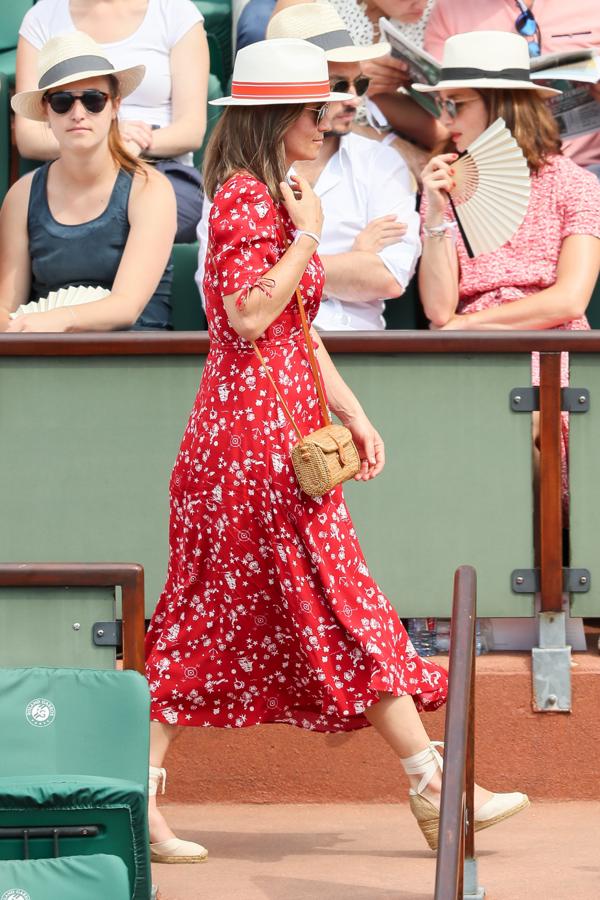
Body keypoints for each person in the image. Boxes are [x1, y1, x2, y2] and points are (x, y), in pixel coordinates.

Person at [145, 36, 529, 864]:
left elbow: (296, 331)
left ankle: (431, 782)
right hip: (250, 448)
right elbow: (250, 317)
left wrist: (354, 413)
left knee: (300, 609)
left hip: (274, 439)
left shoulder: (276, 198)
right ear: (272, 117)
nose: (327, 122)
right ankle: (430, 782)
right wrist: (308, 236)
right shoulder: (252, 202)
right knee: (253, 611)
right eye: (315, 110)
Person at [415, 31, 600, 505]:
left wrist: (467, 325)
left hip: (551, 343)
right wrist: (434, 215)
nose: (444, 119)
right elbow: (438, 310)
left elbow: (570, 298)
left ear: (500, 104)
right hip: (471, 351)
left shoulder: (574, 185)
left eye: (456, 105)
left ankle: (551, 562)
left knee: (538, 423)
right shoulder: (444, 184)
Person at [196, 2, 421, 331]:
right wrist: (345, 262)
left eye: (360, 84)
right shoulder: (236, 181)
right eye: (337, 86)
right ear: (290, 95)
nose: (354, 100)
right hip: (270, 360)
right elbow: (225, 295)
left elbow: (388, 278)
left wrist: (278, 274)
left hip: (360, 353)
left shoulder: (381, 161)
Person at [0, 32, 176, 333]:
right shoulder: (21, 195)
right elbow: (7, 305)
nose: (78, 113)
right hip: (47, 358)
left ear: (115, 105)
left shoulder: (150, 189)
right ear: (46, 110)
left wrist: (54, 320)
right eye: (62, 101)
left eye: (94, 100)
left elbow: (126, 307)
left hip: (138, 358)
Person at [17, 0, 208, 242]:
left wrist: (127, 146)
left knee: (151, 213)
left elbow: (191, 130)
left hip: (153, 161)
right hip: (71, 165)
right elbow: (28, 136)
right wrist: (107, 142)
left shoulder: (175, 11)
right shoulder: (42, 16)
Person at [424, 0, 600, 178]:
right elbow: (445, 117)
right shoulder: (449, 9)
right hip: (489, 171)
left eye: (457, 105)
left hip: (591, 165)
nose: (445, 118)